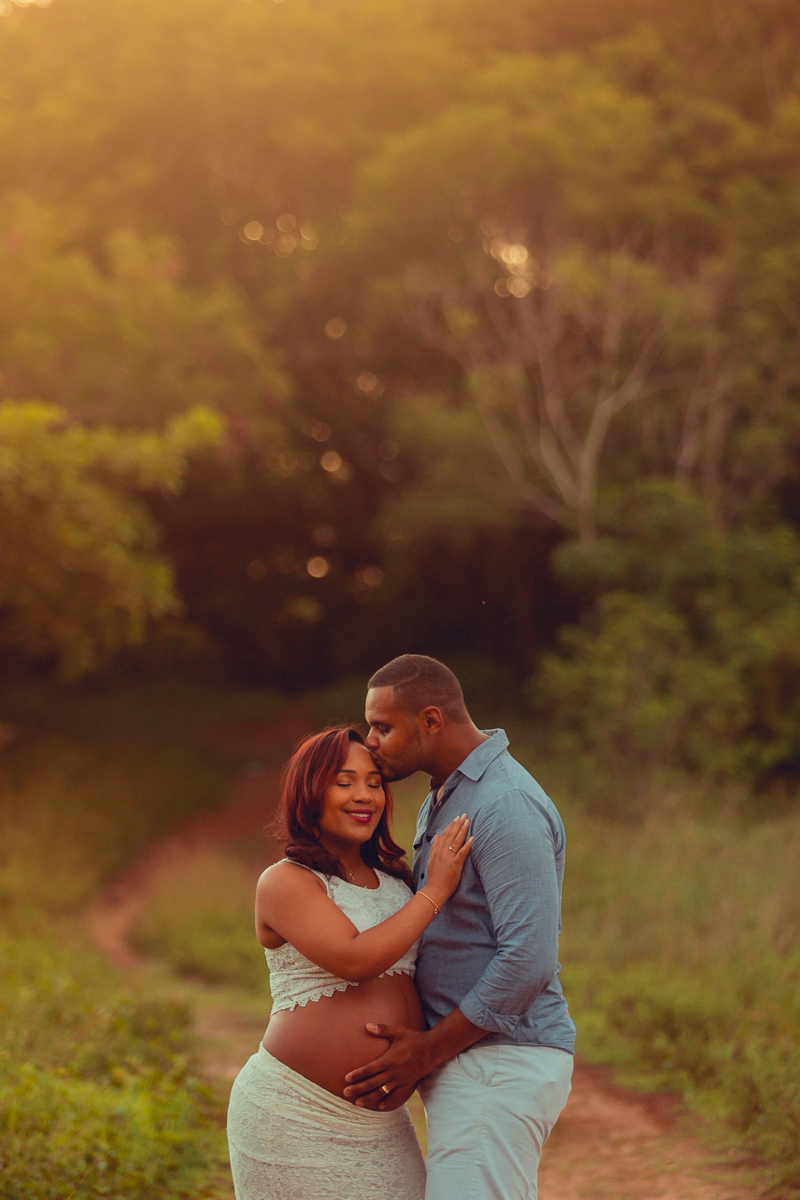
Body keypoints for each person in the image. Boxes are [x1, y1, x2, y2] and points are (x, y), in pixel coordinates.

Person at [343, 654, 576, 1200]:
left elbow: (529, 960)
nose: (371, 742)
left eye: (382, 727)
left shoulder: (505, 804)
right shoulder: (447, 793)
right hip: (477, 1062)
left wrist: (427, 1049)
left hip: (499, 1061)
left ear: (431, 720)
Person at [226, 724, 472, 1200]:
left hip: (382, 1126)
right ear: (310, 793)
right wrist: (437, 889)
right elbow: (354, 959)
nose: (364, 796)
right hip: (295, 1115)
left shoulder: (397, 882)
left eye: (374, 783)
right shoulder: (285, 881)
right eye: (345, 782)